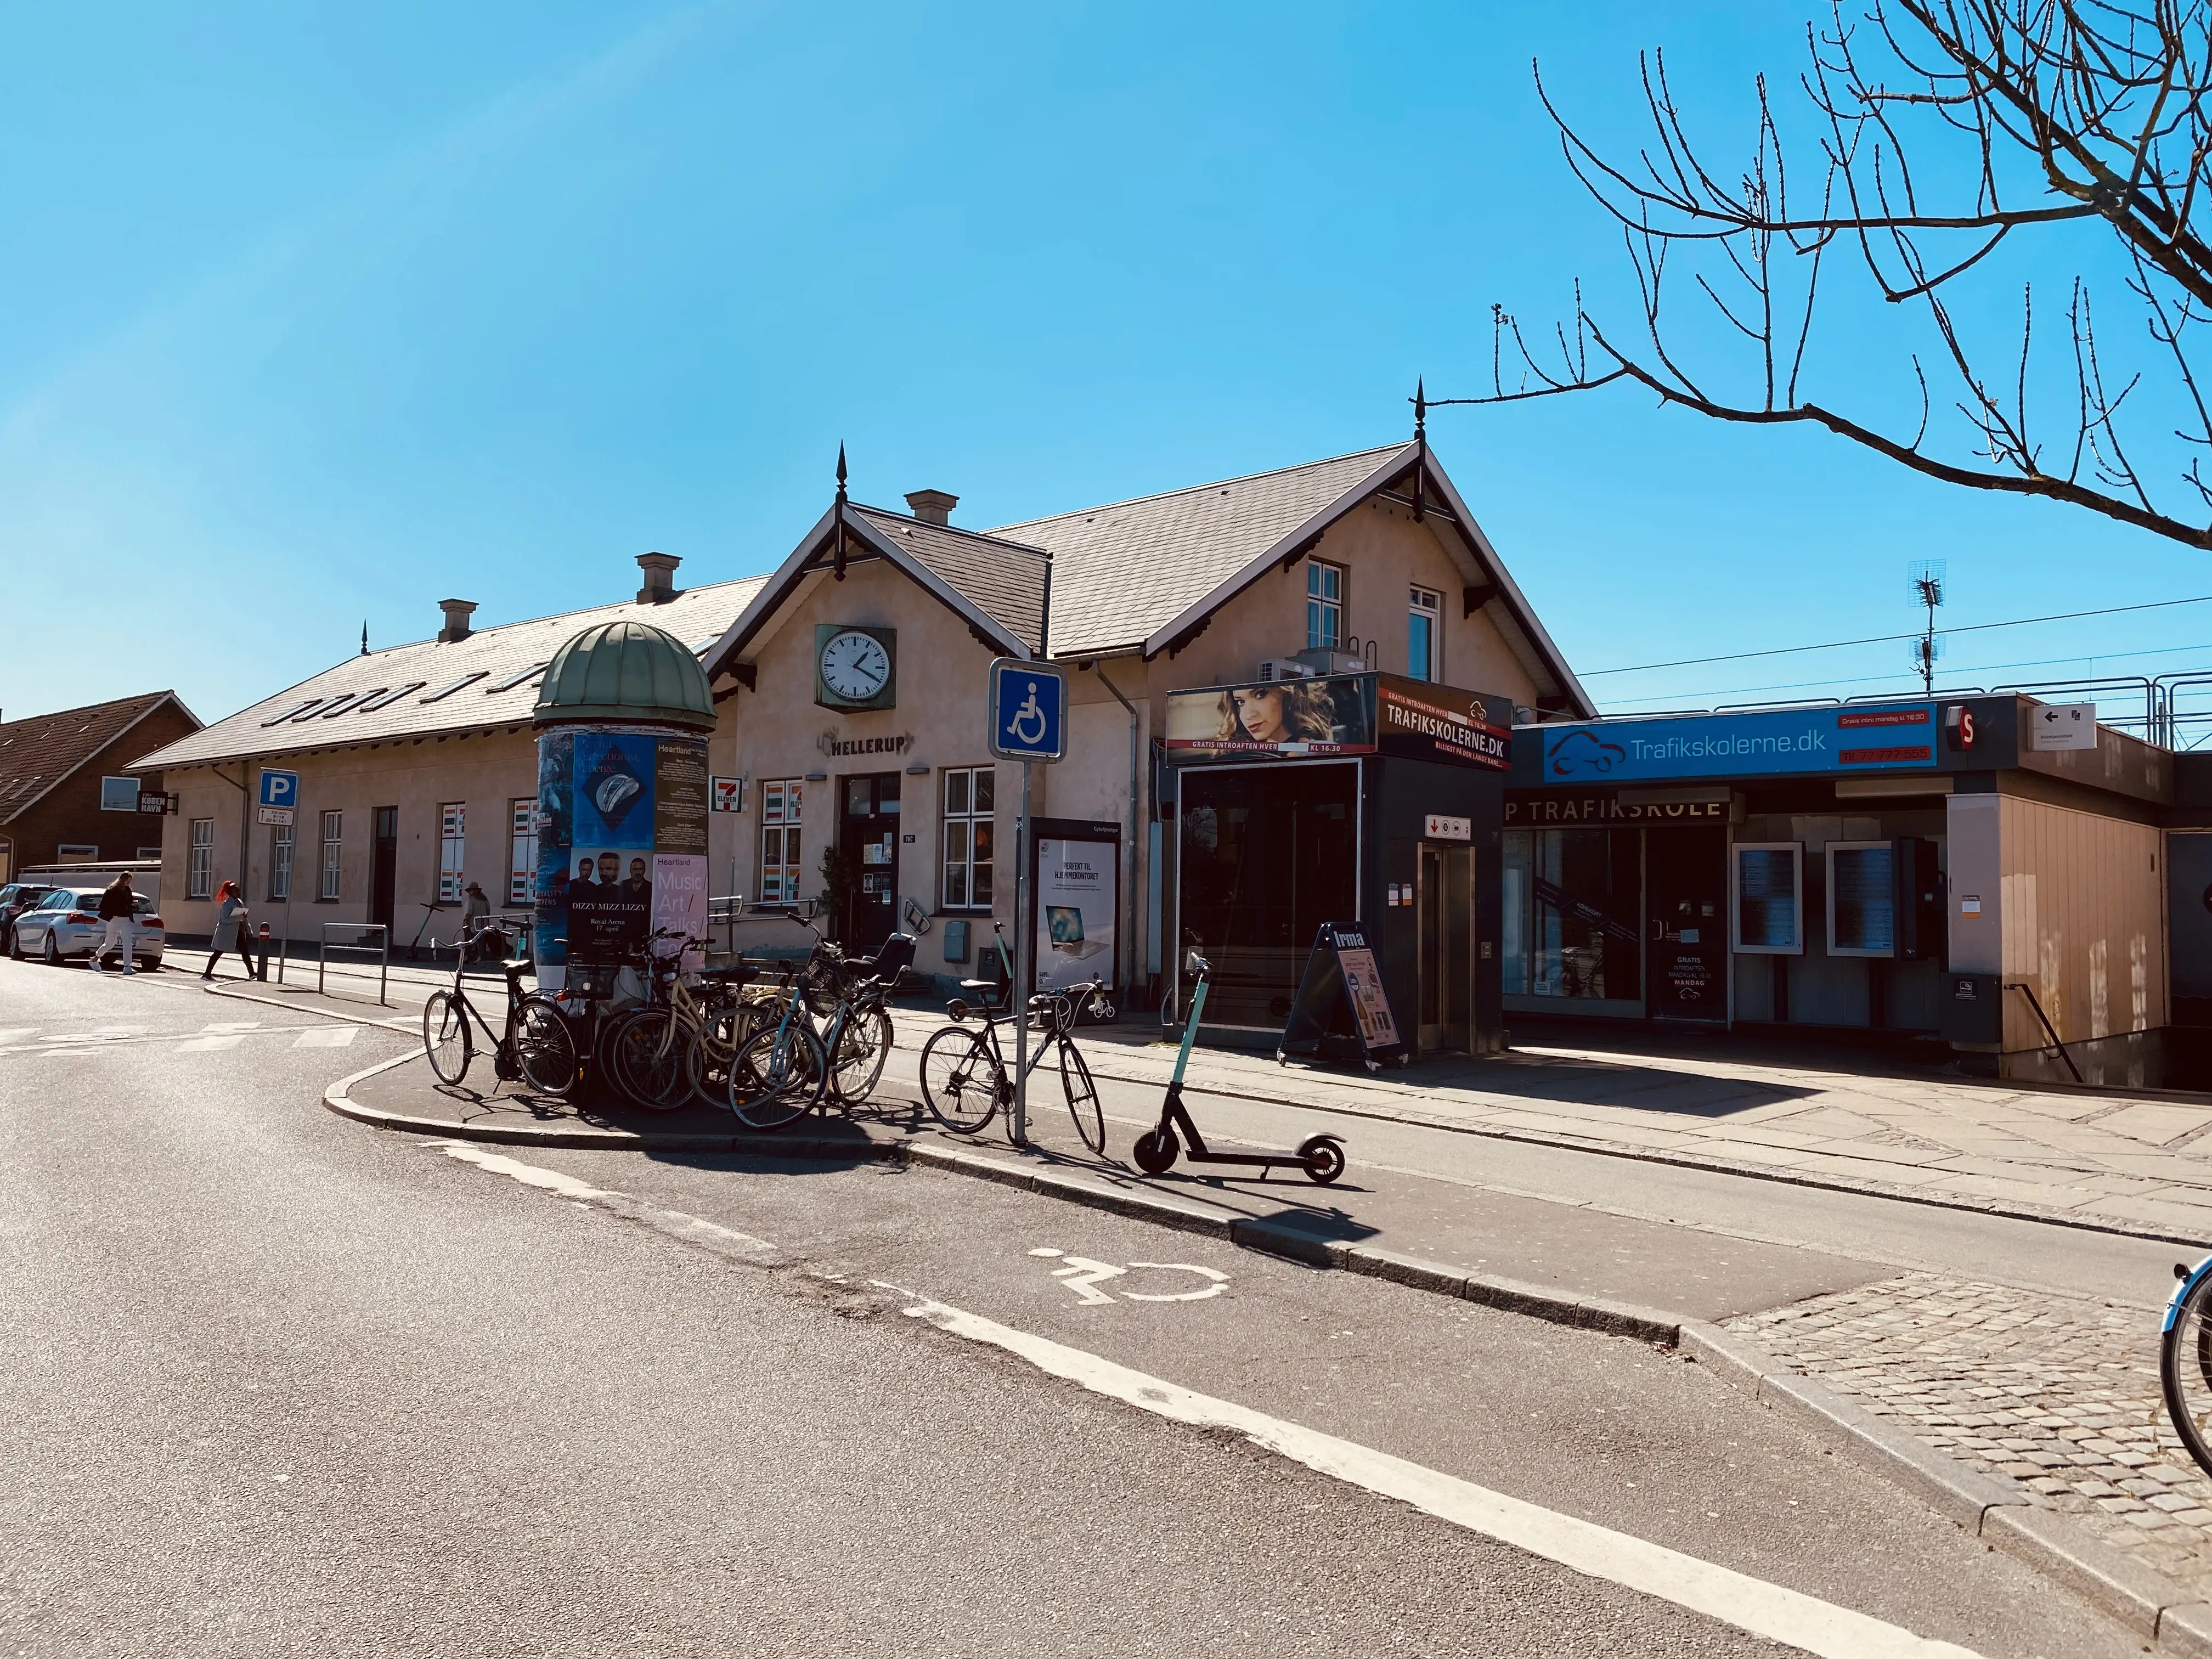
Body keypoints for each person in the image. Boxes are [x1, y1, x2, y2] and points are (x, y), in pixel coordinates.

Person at [1215, 680, 1335, 746]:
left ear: (1287, 695)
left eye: (1260, 695)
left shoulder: (1320, 753)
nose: (1248, 715)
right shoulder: (1241, 760)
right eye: (1240, 702)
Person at [202, 881, 261, 981]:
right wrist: (238, 918)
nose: (238, 890)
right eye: (235, 889)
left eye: (238, 889)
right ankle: (207, 974)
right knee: (218, 952)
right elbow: (225, 919)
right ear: (230, 892)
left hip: (238, 932)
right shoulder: (226, 905)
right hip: (226, 933)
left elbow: (244, 918)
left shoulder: (239, 902)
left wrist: (249, 930)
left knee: (245, 952)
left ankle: (252, 973)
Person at [92, 872, 138, 975]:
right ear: (123, 880)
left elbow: (129, 902)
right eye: (128, 881)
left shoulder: (127, 890)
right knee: (110, 944)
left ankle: (127, 966)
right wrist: (113, 912)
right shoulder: (112, 890)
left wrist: (132, 904)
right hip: (114, 919)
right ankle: (95, 959)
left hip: (126, 919)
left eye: (130, 881)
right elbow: (104, 905)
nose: (129, 883)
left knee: (128, 942)